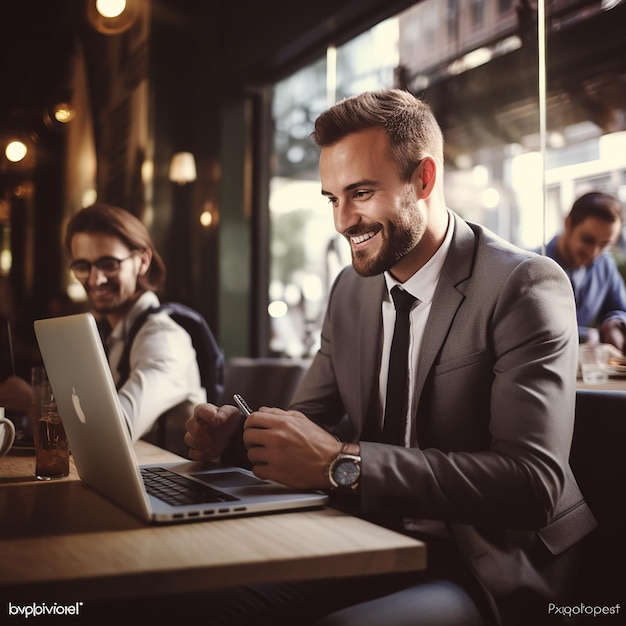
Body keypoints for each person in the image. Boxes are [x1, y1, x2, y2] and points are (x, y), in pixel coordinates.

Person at [183, 89, 596, 626]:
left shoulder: (523, 285)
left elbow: (532, 483)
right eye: (332, 199)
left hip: (486, 561)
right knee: (207, 597)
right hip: (369, 535)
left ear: (423, 179)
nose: (342, 221)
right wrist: (241, 436)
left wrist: (341, 463)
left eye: (360, 193)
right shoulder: (350, 292)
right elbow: (312, 424)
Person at [0, 203, 206, 445]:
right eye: (82, 266)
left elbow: (112, 435)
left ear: (143, 261)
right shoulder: (105, 330)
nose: (95, 279)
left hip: (172, 478)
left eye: (109, 263)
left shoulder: (162, 337)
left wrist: (33, 402)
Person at [544, 191, 626, 351]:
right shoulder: (533, 264)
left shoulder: (605, 266)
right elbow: (530, 326)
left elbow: (621, 310)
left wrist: (614, 324)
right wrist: (588, 336)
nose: (594, 252)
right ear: (568, 224)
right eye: (588, 240)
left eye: (604, 245)